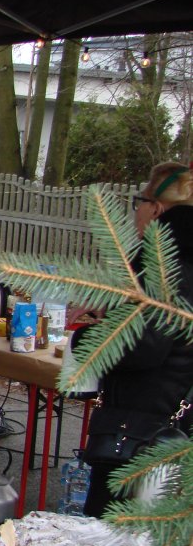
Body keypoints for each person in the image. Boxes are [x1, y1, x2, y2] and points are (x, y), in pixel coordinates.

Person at [82, 162, 193, 517]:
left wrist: (87, 339)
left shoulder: (162, 262)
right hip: (173, 414)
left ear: (156, 209)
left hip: (140, 428)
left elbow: (143, 347)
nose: (137, 211)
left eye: (139, 202)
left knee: (112, 530)